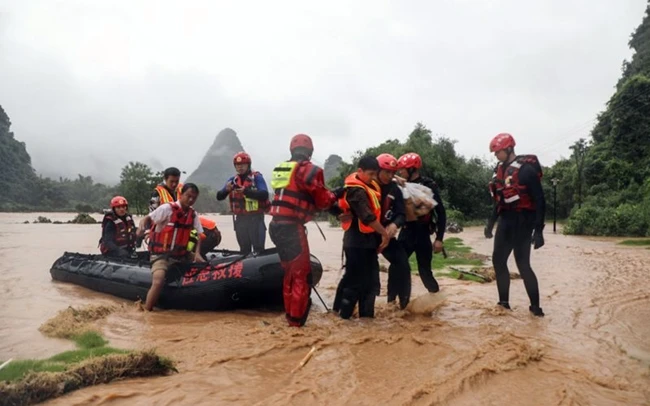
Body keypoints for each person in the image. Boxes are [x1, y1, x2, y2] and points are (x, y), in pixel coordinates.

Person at [268, 134, 337, 327]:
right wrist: (334, 195)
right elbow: (323, 201)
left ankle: (290, 316)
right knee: (301, 276)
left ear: (291, 150)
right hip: (291, 229)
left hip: (275, 227)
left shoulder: (282, 169)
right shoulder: (310, 170)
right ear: (310, 152)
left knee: (289, 274)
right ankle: (296, 324)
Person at [485, 133, 546, 317]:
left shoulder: (526, 170)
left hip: (523, 222)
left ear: (509, 149)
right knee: (498, 261)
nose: (496, 156)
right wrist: (491, 223)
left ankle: (535, 308)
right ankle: (504, 303)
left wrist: (539, 231)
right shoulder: (500, 172)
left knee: (523, 264)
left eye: (498, 152)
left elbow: (540, 200)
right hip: (506, 221)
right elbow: (499, 200)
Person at [334, 156, 390, 319]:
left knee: (369, 282)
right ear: (360, 171)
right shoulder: (355, 190)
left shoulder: (368, 185)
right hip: (356, 242)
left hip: (367, 242)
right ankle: (344, 319)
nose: (374, 178)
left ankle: (364, 319)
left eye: (375, 174)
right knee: (355, 283)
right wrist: (384, 233)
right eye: (371, 174)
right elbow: (368, 217)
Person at [136, 183, 205, 311]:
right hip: (161, 255)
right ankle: (147, 311)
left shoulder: (193, 214)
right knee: (158, 281)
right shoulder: (167, 209)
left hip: (182, 254)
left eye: (194, 198)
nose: (190, 200)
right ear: (181, 194)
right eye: (188, 196)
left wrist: (197, 254)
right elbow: (148, 218)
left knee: (205, 265)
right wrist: (142, 226)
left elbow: (200, 235)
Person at [396, 152, 447, 293]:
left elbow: (441, 213)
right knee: (396, 267)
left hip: (423, 233)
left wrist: (439, 239)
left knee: (425, 271)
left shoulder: (429, 185)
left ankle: (436, 299)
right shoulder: (400, 185)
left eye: (403, 169)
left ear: (412, 169)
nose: (400, 172)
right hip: (406, 231)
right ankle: (393, 302)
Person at [375, 153, 411, 309]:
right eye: (386, 172)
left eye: (392, 173)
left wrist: (395, 225)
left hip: (386, 235)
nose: (389, 176)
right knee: (359, 274)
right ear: (377, 170)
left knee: (402, 264)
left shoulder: (395, 189)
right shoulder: (366, 185)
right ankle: (339, 310)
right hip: (366, 236)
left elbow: (401, 214)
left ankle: (401, 305)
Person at [216, 152, 270, 255]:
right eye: (237, 165)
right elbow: (219, 197)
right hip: (240, 220)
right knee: (244, 250)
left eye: (243, 165)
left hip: (256, 219)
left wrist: (246, 191)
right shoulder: (233, 180)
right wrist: (226, 190)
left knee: (259, 249)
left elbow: (264, 194)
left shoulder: (257, 178)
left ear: (248, 165)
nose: (240, 167)